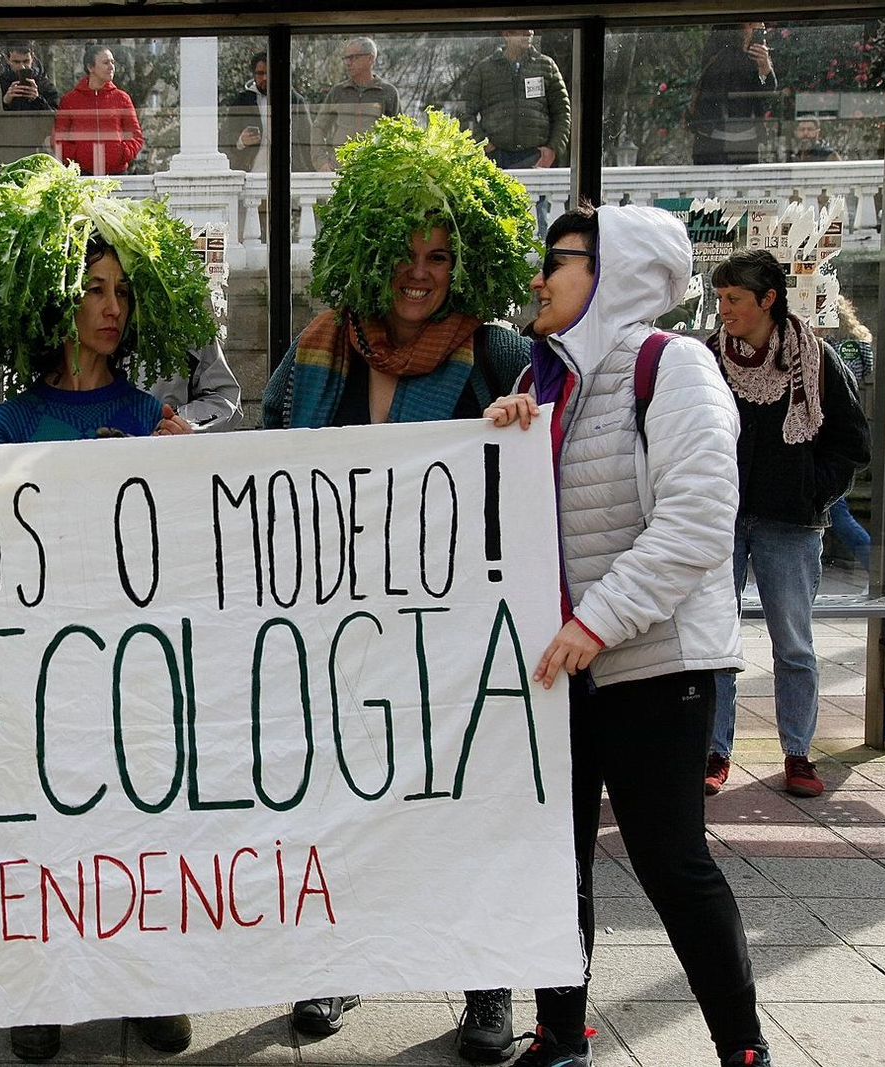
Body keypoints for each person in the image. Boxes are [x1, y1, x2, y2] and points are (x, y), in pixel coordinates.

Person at [262, 113, 536, 1063]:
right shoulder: (318, 348)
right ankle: (341, 961)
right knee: (346, 799)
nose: (419, 273)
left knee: (470, 801)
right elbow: (265, 462)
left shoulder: (496, 354)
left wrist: (525, 419)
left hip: (459, 629)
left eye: (438, 256)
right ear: (369, 253)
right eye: (403, 253)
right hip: (340, 626)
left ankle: (487, 987)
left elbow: (548, 447)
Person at [486, 202, 773, 1067]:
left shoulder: (673, 366)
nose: (539, 277)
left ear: (613, 273)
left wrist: (596, 622)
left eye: (558, 260)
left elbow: (697, 520)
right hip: (562, 668)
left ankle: (743, 1047)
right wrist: (502, 446)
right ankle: (560, 1034)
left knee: (671, 861)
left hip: (654, 664)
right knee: (554, 860)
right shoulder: (543, 381)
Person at [0, 151, 216, 1062]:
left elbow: (182, 550)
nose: (112, 306)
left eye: (123, 292)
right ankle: (44, 987)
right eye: (94, 288)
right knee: (44, 823)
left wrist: (183, 465)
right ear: (55, 296)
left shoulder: (149, 416)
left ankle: (151, 977)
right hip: (40, 666)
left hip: (135, 664)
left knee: (143, 817)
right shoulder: (10, 425)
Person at [704, 250, 870, 800]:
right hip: (721, 518)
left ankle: (798, 753)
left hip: (792, 524)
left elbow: (852, 441)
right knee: (716, 640)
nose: (724, 309)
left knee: (794, 644)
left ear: (768, 299)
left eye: (734, 299)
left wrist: (811, 490)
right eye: (720, 298)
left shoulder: (817, 359)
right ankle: (714, 751)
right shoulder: (708, 358)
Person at [456, 29, 570, 169]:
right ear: (506, 34)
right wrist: (483, 144)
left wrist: (553, 149)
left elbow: (563, 113)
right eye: (522, 30)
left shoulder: (546, 66)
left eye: (530, 30)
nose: (529, 33)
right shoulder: (484, 69)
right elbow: (464, 113)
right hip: (494, 157)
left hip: (537, 157)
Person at [824, 295, 874, 571]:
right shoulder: (857, 343)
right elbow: (867, 372)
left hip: (830, 430)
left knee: (838, 510)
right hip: (851, 421)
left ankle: (874, 564)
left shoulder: (828, 348)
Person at [689, 23, 777, 166]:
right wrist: (744, 52)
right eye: (752, 25)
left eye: (761, 27)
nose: (759, 29)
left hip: (746, 138)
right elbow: (720, 83)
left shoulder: (759, 56)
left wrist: (765, 69)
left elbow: (765, 93)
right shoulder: (720, 52)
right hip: (713, 137)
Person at [54, 45, 144, 176]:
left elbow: (136, 136)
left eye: (112, 62)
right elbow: (58, 138)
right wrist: (77, 156)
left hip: (117, 173)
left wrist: (122, 153)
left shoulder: (122, 98)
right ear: (90, 67)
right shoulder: (70, 100)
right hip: (81, 174)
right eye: (106, 63)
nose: (111, 67)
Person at [314, 37, 400, 171]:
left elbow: (399, 133)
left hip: (373, 172)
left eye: (354, 58)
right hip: (338, 171)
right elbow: (318, 127)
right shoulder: (338, 92)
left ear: (370, 59)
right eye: (346, 58)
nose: (348, 63)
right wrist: (322, 162)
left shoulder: (387, 92)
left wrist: (389, 167)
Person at [221, 51, 315, 173]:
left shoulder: (295, 100)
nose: (265, 78)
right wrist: (241, 141)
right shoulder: (243, 101)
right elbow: (225, 138)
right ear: (253, 75)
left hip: (289, 174)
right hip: (251, 174)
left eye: (269, 73)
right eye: (260, 73)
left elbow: (308, 139)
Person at [0, 42, 60, 168]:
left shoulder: (45, 85)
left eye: (26, 61)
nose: (22, 67)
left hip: (37, 149)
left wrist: (37, 99)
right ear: (7, 60)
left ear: (32, 58)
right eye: (16, 62)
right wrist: (5, 102)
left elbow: (54, 120)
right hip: (5, 149)